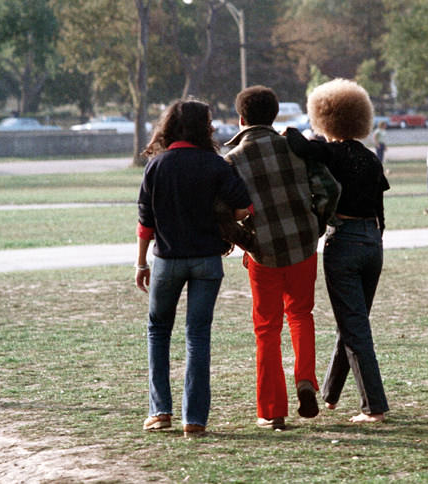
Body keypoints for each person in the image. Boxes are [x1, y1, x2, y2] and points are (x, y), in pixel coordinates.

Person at [136, 100, 252, 438]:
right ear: (204, 127)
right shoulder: (215, 165)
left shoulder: (156, 165)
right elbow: (245, 208)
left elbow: (145, 222)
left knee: (158, 331)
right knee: (197, 335)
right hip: (206, 261)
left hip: (167, 260)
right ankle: (195, 419)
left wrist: (141, 262)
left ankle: (159, 411)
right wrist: (221, 218)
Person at [286, 78, 391, 423]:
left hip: (343, 241)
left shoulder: (328, 152)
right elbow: (380, 206)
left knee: (355, 326)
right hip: (373, 242)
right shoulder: (372, 158)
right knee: (353, 322)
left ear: (324, 117)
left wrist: (303, 132)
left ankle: (373, 406)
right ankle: (330, 394)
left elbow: (295, 143)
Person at [224, 86, 323, 431]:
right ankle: (306, 380)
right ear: (275, 114)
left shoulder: (233, 160)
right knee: (301, 314)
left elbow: (222, 215)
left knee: (267, 329)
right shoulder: (295, 148)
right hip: (302, 247)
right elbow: (328, 189)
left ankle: (272, 410)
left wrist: (246, 241)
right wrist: (317, 224)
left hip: (263, 253)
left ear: (241, 119)